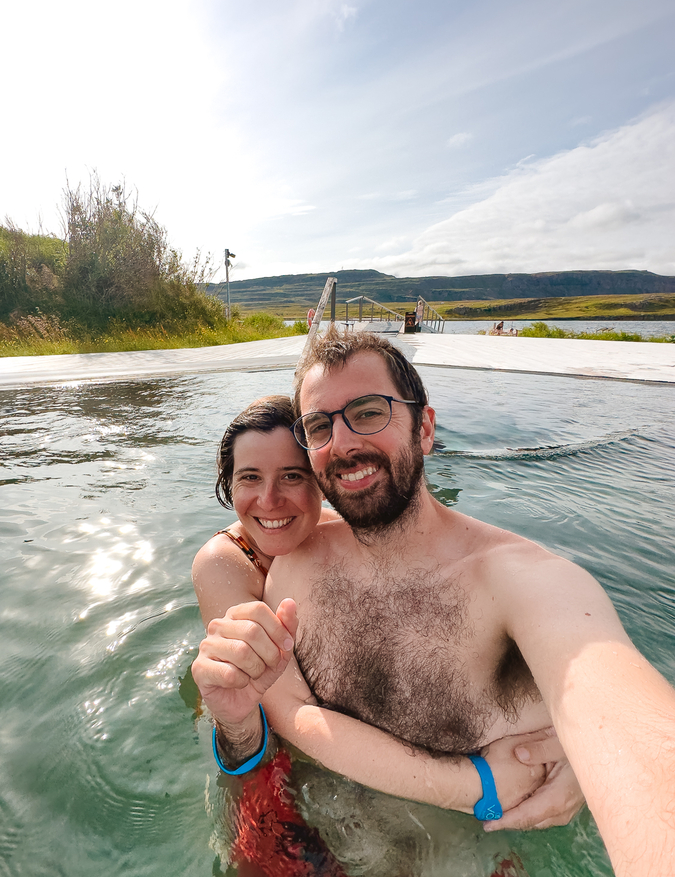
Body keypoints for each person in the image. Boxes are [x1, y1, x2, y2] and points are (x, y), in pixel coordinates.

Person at [196, 328, 675, 877]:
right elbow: (289, 710)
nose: (345, 442)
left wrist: (591, 760)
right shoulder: (297, 565)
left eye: (370, 412)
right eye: (320, 425)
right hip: (324, 844)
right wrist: (479, 785)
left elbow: (633, 731)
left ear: (424, 428)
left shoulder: (526, 583)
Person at [193, 395, 565, 818]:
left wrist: (562, 751)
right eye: (249, 478)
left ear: (322, 479)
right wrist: (477, 786)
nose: (270, 500)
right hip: (259, 740)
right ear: (228, 484)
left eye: (293, 476)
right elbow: (278, 706)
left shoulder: (331, 532)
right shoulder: (224, 560)